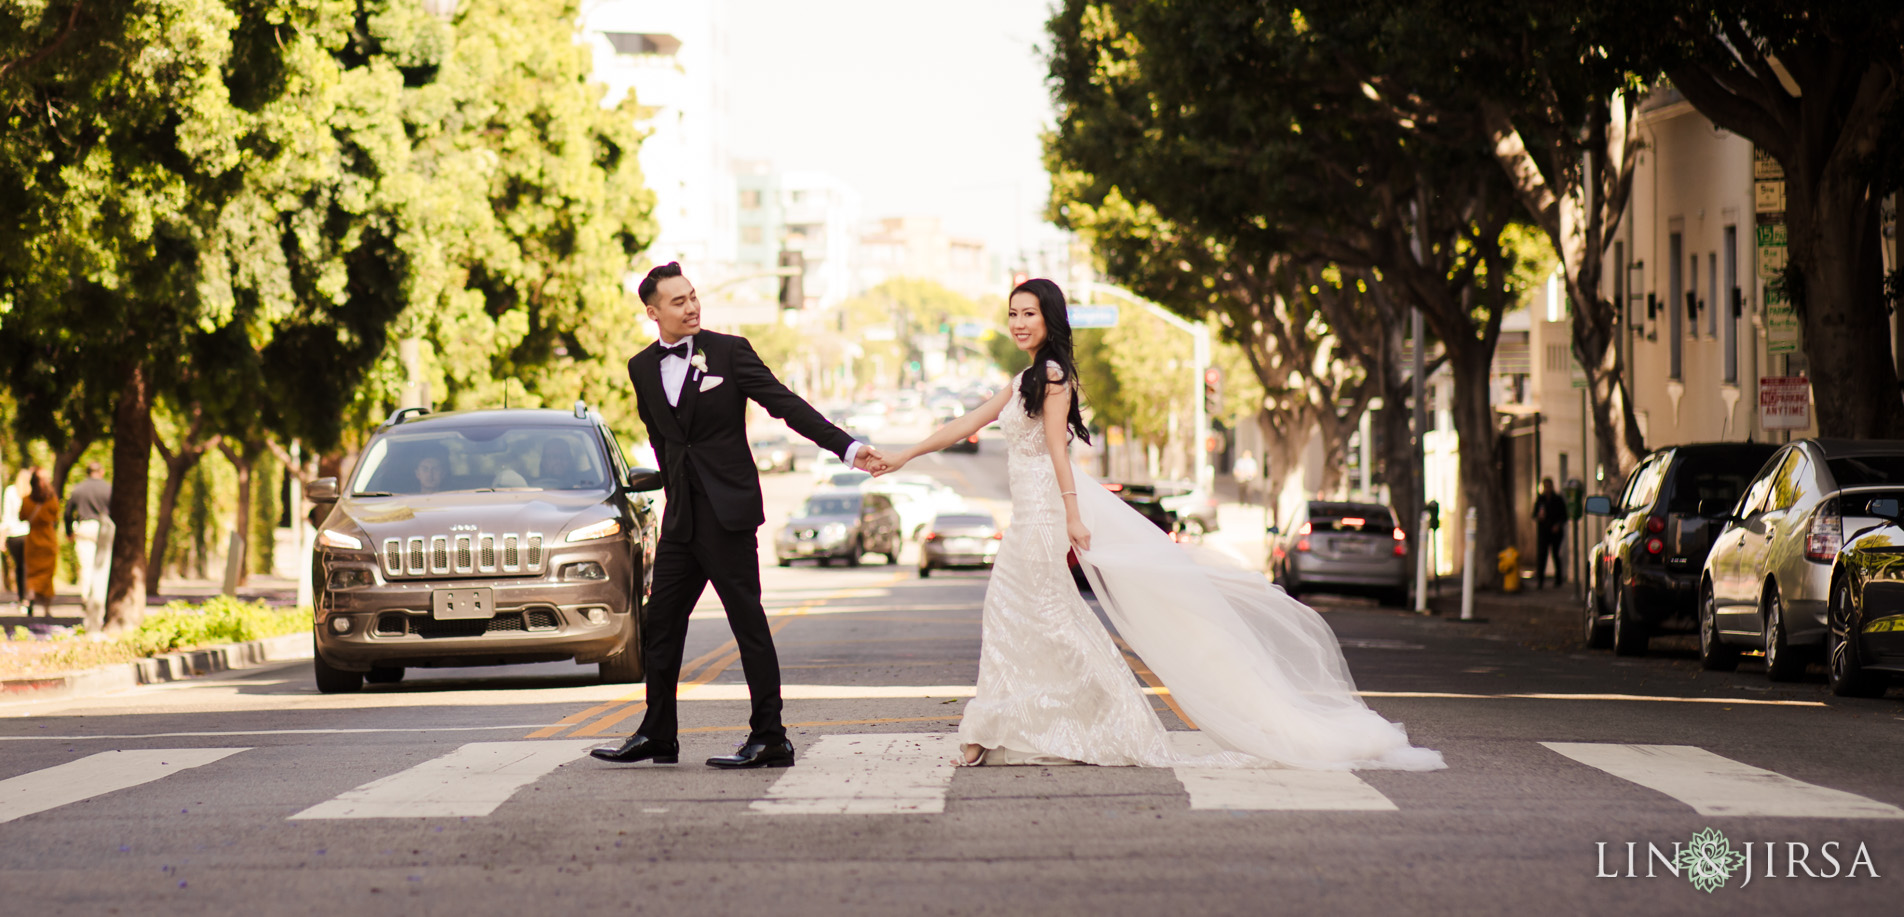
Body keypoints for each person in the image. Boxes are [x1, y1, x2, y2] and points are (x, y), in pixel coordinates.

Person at [864, 277, 1443, 773]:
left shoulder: (1054, 376)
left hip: (1044, 517)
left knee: (1041, 620)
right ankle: (1021, 723)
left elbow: (1059, 454)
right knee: (1033, 621)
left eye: (1028, 314)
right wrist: (904, 453)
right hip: (1026, 519)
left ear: (1050, 320)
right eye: (1012, 314)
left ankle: (1028, 725)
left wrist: (1070, 514)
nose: (1018, 322)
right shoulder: (1024, 381)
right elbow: (967, 421)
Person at [591, 262, 882, 771]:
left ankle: (771, 737)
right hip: (682, 519)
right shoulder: (641, 367)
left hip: (728, 515)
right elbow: (663, 441)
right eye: (678, 301)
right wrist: (672, 490)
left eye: (694, 296)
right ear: (652, 312)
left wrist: (848, 448)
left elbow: (785, 405)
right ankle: (659, 733)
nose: (692, 306)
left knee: (747, 625)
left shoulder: (729, 351)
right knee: (659, 627)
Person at [64, 462, 115, 632]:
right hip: (103, 528)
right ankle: (100, 601)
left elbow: (67, 511)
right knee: (102, 567)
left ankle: (87, 600)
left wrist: (68, 530)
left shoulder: (78, 489)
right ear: (101, 471)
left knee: (86, 568)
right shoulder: (108, 489)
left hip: (84, 528)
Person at [18, 466, 62, 619]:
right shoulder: (52, 500)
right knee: (47, 574)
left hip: (33, 540)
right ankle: (47, 608)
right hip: (48, 539)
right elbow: (56, 516)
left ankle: (30, 598)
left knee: (32, 572)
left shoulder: (26, 501)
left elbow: (22, 516)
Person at [1, 468, 33, 611]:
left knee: (20, 567)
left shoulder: (10, 492)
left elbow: (6, 516)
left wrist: (2, 537)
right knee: (29, 567)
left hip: (14, 534)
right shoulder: (33, 493)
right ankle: (29, 597)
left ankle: (23, 598)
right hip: (29, 534)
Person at [1532, 477, 1570, 590]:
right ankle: (1540, 580)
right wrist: (1538, 516)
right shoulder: (1541, 499)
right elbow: (1534, 514)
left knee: (1555, 554)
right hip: (1544, 531)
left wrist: (1557, 525)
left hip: (1555, 532)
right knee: (1542, 555)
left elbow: (1564, 516)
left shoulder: (1558, 499)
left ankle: (1558, 579)